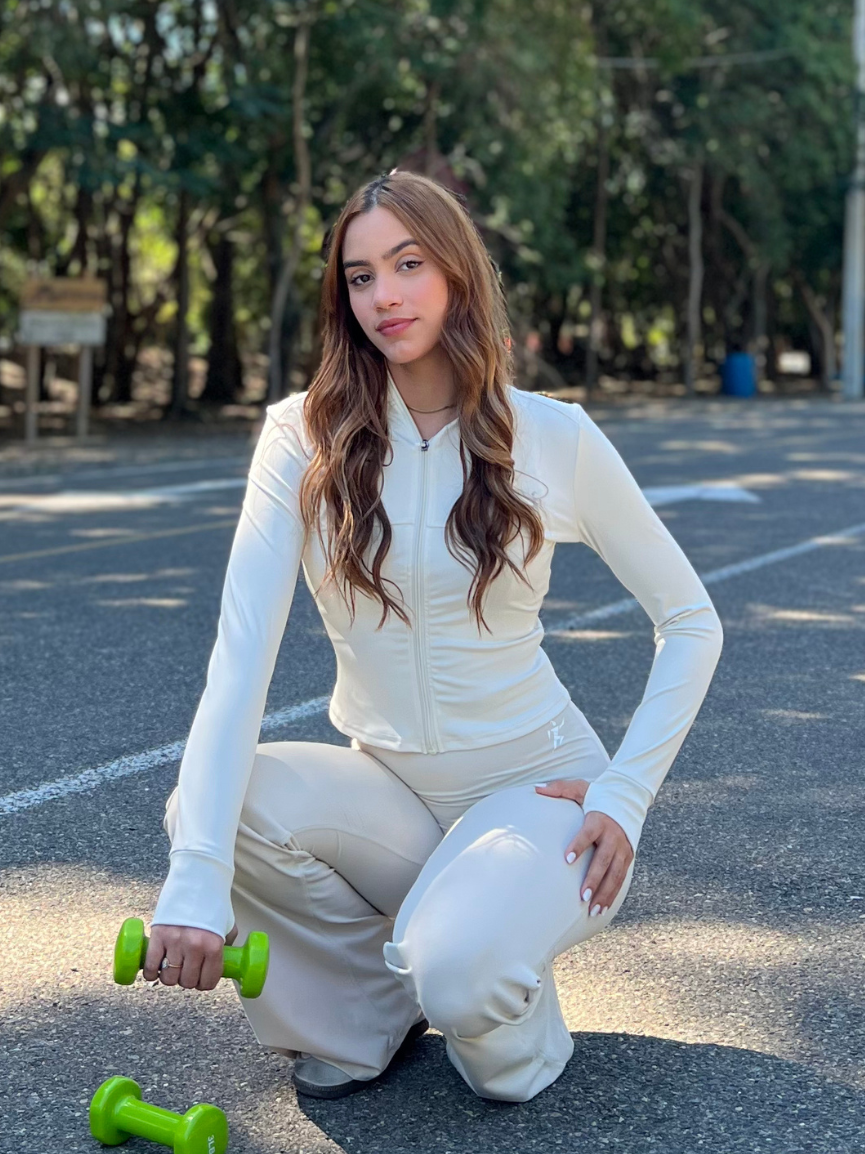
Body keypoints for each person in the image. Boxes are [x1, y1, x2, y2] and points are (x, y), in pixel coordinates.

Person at [144, 169, 724, 1103]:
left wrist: (625, 792)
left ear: (456, 272)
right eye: (361, 276)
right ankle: (362, 1011)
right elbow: (240, 656)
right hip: (389, 794)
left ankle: (499, 1014)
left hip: (537, 794)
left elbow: (690, 621)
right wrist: (196, 878)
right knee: (210, 810)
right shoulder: (301, 437)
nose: (384, 295)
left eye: (408, 264)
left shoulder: (552, 436)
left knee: (462, 987)